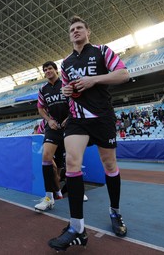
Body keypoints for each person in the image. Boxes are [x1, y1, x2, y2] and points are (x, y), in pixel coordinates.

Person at [48, 16, 129, 252]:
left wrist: (94, 80)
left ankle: (115, 212)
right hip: (77, 119)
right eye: (72, 29)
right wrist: (66, 90)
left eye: (79, 28)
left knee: (110, 165)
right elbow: (68, 90)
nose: (75, 32)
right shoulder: (66, 63)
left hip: (102, 117)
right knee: (72, 162)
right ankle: (77, 228)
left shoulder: (102, 51)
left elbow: (124, 75)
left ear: (88, 32)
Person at [34, 61, 69, 211]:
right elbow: (40, 108)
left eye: (50, 68)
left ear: (56, 70)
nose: (48, 71)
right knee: (46, 157)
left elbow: (76, 100)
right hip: (53, 127)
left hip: (71, 124)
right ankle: (49, 197)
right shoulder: (43, 89)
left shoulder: (66, 83)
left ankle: (76, 192)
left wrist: (70, 118)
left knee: (74, 160)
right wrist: (49, 120)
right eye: (45, 69)